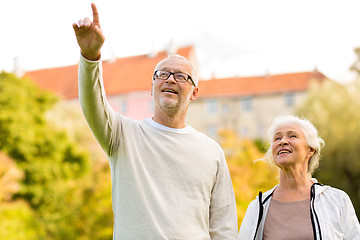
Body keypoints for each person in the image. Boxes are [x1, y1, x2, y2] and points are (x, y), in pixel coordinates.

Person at [72, 3, 238, 239]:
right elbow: (93, 105)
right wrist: (90, 57)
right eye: (162, 74)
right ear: (151, 89)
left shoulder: (212, 152)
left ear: (194, 92)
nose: (170, 79)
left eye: (181, 76)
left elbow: (224, 228)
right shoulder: (123, 135)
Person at [238, 115, 360, 240]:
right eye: (277, 138)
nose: (282, 142)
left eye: (292, 136)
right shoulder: (257, 208)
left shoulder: (337, 200)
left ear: (310, 150)